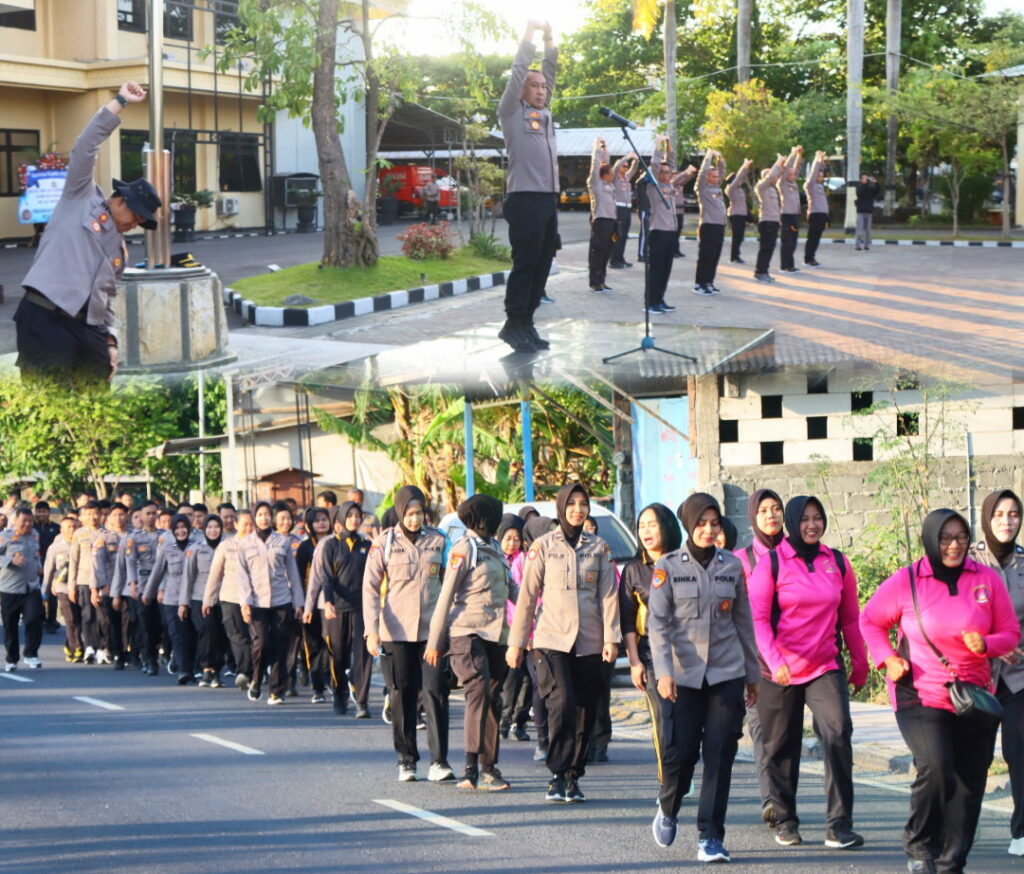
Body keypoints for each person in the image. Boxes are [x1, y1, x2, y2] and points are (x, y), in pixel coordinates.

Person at [860, 509, 1019, 874]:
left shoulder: (986, 579)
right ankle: (919, 844)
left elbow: (1010, 634)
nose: (954, 545)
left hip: (973, 696)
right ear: (931, 540)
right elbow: (870, 620)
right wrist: (887, 658)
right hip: (920, 692)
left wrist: (987, 644)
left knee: (970, 783)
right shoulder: (907, 581)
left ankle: (952, 863)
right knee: (937, 765)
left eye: (961, 537)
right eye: (945, 538)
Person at [15, 81, 161, 385]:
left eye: (141, 222)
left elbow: (105, 299)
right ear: (120, 200)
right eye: (136, 216)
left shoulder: (119, 250)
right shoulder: (80, 196)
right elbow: (86, 146)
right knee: (49, 401)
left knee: (97, 395)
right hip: (46, 318)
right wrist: (120, 101)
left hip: (88, 328)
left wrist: (110, 342)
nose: (135, 224)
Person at [748, 495, 868, 850]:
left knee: (838, 733)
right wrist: (775, 661)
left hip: (824, 666)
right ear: (793, 522)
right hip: (779, 671)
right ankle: (786, 820)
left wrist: (860, 662)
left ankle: (839, 825)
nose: (812, 525)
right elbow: (757, 620)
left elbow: (850, 618)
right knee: (781, 746)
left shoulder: (837, 562)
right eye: (805, 519)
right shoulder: (772, 563)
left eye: (818, 518)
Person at [648, 494, 760, 864]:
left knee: (720, 752)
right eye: (701, 524)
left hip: (726, 673)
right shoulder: (667, 567)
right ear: (688, 526)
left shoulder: (732, 566)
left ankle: (711, 836)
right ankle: (669, 805)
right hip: (682, 677)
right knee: (682, 754)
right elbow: (658, 625)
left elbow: (743, 622)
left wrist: (753, 675)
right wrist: (664, 673)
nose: (709, 530)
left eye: (714, 523)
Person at [507, 483, 620, 803]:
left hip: (589, 640)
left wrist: (611, 638)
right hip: (551, 639)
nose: (578, 510)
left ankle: (573, 776)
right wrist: (517, 642)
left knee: (585, 708)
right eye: (571, 504)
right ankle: (557, 773)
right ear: (561, 507)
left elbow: (609, 596)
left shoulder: (599, 548)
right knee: (562, 702)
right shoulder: (543, 546)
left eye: (583, 504)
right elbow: (527, 596)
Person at [363, 485, 453, 782]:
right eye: (409, 513)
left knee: (435, 691)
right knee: (401, 694)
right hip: (396, 632)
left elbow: (451, 582)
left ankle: (439, 761)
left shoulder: (439, 541)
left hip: (431, 632)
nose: (415, 519)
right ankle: (407, 760)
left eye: (419, 513)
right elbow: (370, 588)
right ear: (401, 513)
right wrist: (371, 631)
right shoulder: (384, 543)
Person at [426, 495, 512, 791]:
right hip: (466, 632)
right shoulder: (464, 549)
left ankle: (489, 767)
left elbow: (512, 589)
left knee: (493, 696)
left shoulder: (496, 548)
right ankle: (470, 767)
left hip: (497, 634)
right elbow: (446, 595)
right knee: (478, 689)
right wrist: (435, 641)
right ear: (484, 518)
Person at [969, 491, 1024, 857]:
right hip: (978, 676)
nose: (1007, 521)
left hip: (1019, 676)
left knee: (1020, 752)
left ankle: (1021, 831)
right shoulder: (968, 563)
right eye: (999, 514)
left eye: (1014, 514)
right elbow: (953, 617)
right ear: (987, 518)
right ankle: (962, 821)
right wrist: (991, 646)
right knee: (974, 757)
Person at [498, 19, 558, 354]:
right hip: (524, 199)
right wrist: (531, 34)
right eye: (534, 86)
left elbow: (551, 69)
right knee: (525, 264)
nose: (540, 90)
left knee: (542, 264)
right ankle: (512, 323)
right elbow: (520, 68)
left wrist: (550, 38)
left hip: (548, 200)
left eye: (544, 87)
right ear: (521, 89)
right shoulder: (511, 111)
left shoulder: (545, 114)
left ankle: (527, 322)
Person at [619, 503, 682, 792]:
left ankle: (682, 771)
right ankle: (667, 782)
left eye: (652, 524)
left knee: (685, 719)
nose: (646, 530)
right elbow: (627, 619)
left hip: (687, 652)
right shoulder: (633, 570)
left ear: (666, 527)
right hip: (651, 653)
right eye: (641, 525)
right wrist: (635, 662)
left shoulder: (684, 561)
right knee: (662, 718)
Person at [734, 488, 786, 827]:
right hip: (755, 661)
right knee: (761, 730)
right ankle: (771, 801)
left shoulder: (795, 554)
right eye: (764, 510)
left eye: (776, 508)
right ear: (753, 516)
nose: (771, 515)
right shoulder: (741, 560)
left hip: (793, 659)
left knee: (785, 734)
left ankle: (784, 797)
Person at [308, 501, 372, 717]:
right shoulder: (331, 545)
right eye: (350, 515)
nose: (354, 519)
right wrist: (328, 602)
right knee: (338, 655)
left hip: (362, 607)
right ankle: (339, 694)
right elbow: (326, 577)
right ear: (342, 518)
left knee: (363, 655)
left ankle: (362, 701)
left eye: (357, 515)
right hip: (337, 607)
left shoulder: (367, 544)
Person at [236, 502, 304, 705]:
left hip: (282, 600)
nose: (264, 518)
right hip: (257, 602)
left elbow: (293, 574)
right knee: (261, 644)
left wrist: (298, 603)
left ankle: (276, 690)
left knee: (281, 646)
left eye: (267, 514)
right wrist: (245, 602)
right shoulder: (245, 544)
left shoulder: (282, 542)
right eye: (260, 514)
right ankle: (256, 679)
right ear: (254, 518)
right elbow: (242, 576)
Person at [203, 509, 255, 690]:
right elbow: (215, 575)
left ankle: (254, 671)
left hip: (255, 598)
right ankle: (244, 672)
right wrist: (208, 600)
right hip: (230, 597)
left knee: (254, 636)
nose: (249, 528)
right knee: (237, 635)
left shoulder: (260, 545)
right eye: (245, 524)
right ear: (236, 525)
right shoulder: (226, 546)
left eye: (251, 525)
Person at [143, 513, 193, 684]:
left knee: (191, 635)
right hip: (172, 599)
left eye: (184, 527)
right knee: (177, 635)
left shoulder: (196, 547)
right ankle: (183, 670)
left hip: (193, 598)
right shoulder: (167, 548)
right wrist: (148, 594)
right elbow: (157, 573)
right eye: (177, 528)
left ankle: (193, 667)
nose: (181, 531)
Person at [646, 137, 694, 315]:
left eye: (668, 173)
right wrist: (659, 146)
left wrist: (669, 147)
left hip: (670, 233)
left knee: (666, 269)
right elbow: (654, 165)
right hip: (658, 233)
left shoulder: (670, 186)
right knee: (656, 269)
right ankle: (650, 303)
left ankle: (660, 299)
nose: (666, 175)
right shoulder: (654, 187)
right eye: (663, 173)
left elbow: (671, 163)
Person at [180, 514, 225, 688]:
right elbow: (188, 577)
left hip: (222, 598)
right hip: (200, 598)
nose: (213, 530)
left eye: (216, 527)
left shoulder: (227, 546)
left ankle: (217, 671)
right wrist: (183, 603)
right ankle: (206, 668)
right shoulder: (196, 548)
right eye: (209, 527)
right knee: (206, 631)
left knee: (220, 635)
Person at [497, 514, 531, 740]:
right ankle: (505, 718)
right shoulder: (495, 558)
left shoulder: (525, 560)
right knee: (510, 677)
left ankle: (519, 720)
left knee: (526, 677)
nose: (512, 543)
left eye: (516, 539)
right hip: (502, 630)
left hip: (525, 626)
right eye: (508, 538)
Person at [0, 508, 43, 671]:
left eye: (30, 521)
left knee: (34, 619)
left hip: (31, 586)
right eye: (24, 521)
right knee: (10, 624)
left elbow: (36, 555)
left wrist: (39, 566)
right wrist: (10, 560)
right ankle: (12, 659)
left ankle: (31, 654)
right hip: (10, 588)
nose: (28, 524)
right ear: (15, 520)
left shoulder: (35, 535)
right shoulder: (5, 536)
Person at [296, 507, 331, 703]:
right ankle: (317, 687)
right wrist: (301, 604)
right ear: (310, 525)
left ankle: (329, 679)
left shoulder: (335, 542)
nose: (321, 523)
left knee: (330, 644)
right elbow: (299, 576)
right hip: (309, 602)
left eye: (324, 519)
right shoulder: (304, 547)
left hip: (330, 602)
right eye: (317, 520)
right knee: (314, 645)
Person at [124, 501, 163, 675]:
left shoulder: (164, 536)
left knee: (160, 624)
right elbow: (131, 562)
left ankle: (155, 653)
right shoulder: (134, 538)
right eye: (148, 513)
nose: (151, 517)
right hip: (143, 585)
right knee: (145, 625)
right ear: (141, 516)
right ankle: (149, 658)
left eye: (154, 513)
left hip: (161, 586)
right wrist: (132, 583)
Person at [68, 501, 108, 664]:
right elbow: (73, 561)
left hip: (103, 580)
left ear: (101, 514)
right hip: (84, 580)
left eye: (96, 513)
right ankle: (90, 646)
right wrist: (71, 586)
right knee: (87, 615)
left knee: (103, 617)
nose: (93, 517)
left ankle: (103, 647)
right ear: (83, 516)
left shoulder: (107, 533)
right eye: (89, 514)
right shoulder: (79, 534)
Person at [43, 514, 81, 662]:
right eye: (68, 527)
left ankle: (70, 644)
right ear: (61, 529)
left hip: (80, 586)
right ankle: (77, 647)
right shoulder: (55, 547)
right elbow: (49, 570)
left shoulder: (84, 544)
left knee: (80, 618)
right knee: (70, 618)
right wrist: (45, 592)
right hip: (62, 587)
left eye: (74, 526)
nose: (72, 529)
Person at [693, 149, 727, 296]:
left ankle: (708, 282)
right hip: (708, 226)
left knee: (714, 256)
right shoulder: (702, 187)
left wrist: (720, 158)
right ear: (707, 177)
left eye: (717, 176)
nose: (716, 178)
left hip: (719, 226)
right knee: (706, 257)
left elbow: (722, 171)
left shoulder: (717, 188)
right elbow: (702, 173)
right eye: (713, 176)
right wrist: (708, 157)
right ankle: (699, 284)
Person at [586, 138, 617, 294]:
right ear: (604, 175)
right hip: (601, 222)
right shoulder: (596, 184)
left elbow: (605, 164)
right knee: (597, 253)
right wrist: (597, 149)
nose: (613, 175)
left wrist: (605, 149)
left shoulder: (608, 185)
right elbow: (596, 166)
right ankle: (594, 282)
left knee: (606, 253)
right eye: (610, 173)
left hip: (611, 222)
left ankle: (602, 281)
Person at [34, 500, 61, 633]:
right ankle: (40, 620)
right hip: (37, 565)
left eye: (44, 511)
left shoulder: (56, 528)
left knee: (52, 595)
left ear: (49, 512)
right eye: (39, 511)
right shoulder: (32, 527)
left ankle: (51, 621)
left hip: (53, 565)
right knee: (37, 594)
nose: (41, 514)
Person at [777, 145, 803, 274]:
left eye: (794, 174)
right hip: (787, 216)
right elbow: (787, 168)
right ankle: (784, 266)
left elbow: (796, 168)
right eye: (791, 174)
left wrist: (799, 155)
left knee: (793, 242)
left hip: (795, 216)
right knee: (787, 242)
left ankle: (790, 265)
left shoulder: (794, 184)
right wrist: (793, 154)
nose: (793, 175)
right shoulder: (782, 184)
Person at [609, 152, 638, 269]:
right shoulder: (615, 177)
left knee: (624, 235)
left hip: (627, 208)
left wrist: (636, 160)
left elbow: (634, 169)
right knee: (617, 235)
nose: (626, 168)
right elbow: (616, 167)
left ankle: (620, 258)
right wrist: (627, 157)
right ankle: (613, 260)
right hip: (618, 208)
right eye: (624, 166)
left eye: (627, 166)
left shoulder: (626, 177)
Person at [803, 150, 829, 268]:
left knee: (817, 238)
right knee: (812, 238)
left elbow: (820, 169)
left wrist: (821, 159)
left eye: (822, 176)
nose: (821, 177)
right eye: (819, 176)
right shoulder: (810, 185)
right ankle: (808, 259)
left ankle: (812, 257)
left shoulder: (820, 186)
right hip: (815, 215)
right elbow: (814, 172)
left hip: (822, 215)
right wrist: (816, 158)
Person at [725, 159, 753, 265]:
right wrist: (744, 166)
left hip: (741, 214)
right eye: (737, 179)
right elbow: (739, 178)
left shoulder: (739, 189)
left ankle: (736, 255)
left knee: (740, 237)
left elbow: (742, 177)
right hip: (735, 215)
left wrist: (747, 168)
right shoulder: (731, 189)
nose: (740, 181)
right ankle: (734, 257)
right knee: (736, 237)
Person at [854, 173, 881, 251]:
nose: (866, 179)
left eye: (867, 178)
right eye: (864, 178)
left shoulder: (870, 187)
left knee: (868, 230)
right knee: (859, 229)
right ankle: (857, 245)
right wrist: (865, 184)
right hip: (861, 211)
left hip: (869, 211)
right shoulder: (859, 186)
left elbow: (877, 191)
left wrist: (876, 183)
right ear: (861, 179)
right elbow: (860, 193)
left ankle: (866, 245)